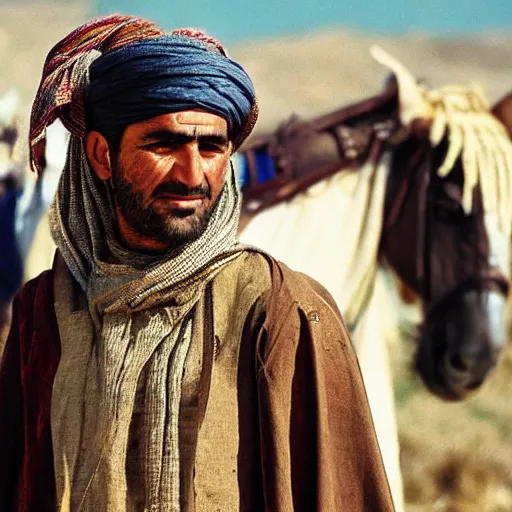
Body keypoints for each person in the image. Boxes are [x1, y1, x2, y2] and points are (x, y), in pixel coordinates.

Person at [0, 14, 394, 512]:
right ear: (101, 154)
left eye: (211, 147)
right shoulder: (43, 313)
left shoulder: (281, 312)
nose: (192, 175)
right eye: (163, 144)